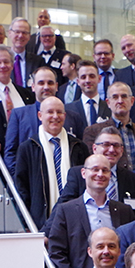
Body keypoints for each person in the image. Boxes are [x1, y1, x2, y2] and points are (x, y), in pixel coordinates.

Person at [46, 154, 135, 268]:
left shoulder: (124, 211)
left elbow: (131, 250)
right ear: (83, 173)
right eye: (95, 169)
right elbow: (56, 253)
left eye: (105, 170)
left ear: (110, 175)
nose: (100, 174)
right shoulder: (66, 211)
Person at [14, 96, 90, 229]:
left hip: (75, 222)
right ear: (40, 115)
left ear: (65, 116)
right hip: (39, 222)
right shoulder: (28, 148)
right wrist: (24, 223)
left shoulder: (79, 147)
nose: (55, 116)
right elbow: (21, 189)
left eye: (59, 112)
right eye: (50, 112)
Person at [3, 65, 64, 176]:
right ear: (33, 87)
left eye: (50, 83)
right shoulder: (18, 115)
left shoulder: (69, 115)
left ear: (56, 86)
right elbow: (10, 152)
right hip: (28, 178)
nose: (46, 87)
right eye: (41, 83)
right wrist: (19, 179)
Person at [57, 128, 135, 208]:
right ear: (94, 148)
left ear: (121, 150)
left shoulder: (131, 178)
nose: (111, 150)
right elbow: (63, 208)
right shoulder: (77, 174)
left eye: (116, 145)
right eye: (106, 145)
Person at [83, 82, 135, 171]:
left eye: (124, 96)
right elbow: (91, 165)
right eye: (115, 97)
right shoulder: (93, 131)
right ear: (108, 102)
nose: (120, 101)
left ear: (132, 101)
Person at [63, 61, 112, 139]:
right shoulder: (68, 109)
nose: (88, 80)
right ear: (78, 81)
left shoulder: (110, 107)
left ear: (99, 78)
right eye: (83, 77)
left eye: (92, 76)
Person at [8, 18, 42, 88]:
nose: (20, 35)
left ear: (29, 36)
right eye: (17, 32)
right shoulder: (0, 61)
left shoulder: (38, 61)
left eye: (24, 33)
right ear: (10, 33)